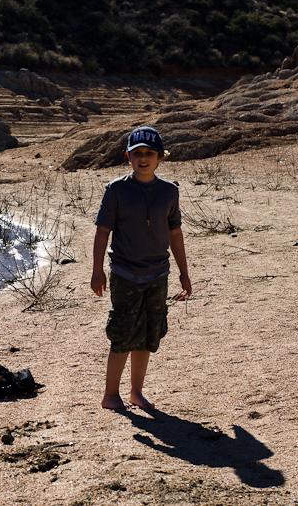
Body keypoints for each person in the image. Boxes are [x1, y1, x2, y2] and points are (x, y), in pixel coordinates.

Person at [90, 126, 192, 411]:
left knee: (148, 335)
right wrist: (97, 271)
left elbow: (175, 234)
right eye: (137, 153)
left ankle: (136, 392)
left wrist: (184, 272)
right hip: (125, 273)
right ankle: (111, 395)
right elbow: (102, 232)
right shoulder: (117, 190)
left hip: (158, 274)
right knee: (123, 334)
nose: (143, 158)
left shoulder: (170, 192)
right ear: (128, 157)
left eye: (149, 153)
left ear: (160, 157)